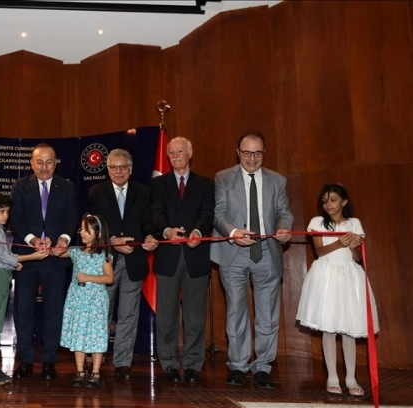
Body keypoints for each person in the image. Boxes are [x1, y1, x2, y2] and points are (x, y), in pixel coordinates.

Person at [210, 131, 293, 389]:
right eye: (247, 153)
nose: (252, 158)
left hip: (266, 252)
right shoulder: (223, 177)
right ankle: (237, 365)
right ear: (238, 152)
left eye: (257, 153)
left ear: (264, 153)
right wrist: (233, 233)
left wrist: (284, 228)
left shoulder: (277, 180)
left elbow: (284, 213)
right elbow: (219, 214)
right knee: (236, 310)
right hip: (234, 251)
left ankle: (263, 367)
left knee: (267, 314)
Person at [296, 183, 379, 396]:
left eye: (333, 200)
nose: (328, 204)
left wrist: (352, 244)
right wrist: (340, 243)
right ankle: (332, 376)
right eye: (324, 201)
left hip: (349, 277)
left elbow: (358, 257)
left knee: (348, 329)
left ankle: (351, 378)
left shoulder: (354, 223)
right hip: (326, 276)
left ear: (344, 201)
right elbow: (320, 251)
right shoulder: (317, 222)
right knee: (329, 327)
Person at [87, 148, 157, 380]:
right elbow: (92, 228)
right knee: (101, 313)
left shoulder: (143, 192)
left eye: (123, 167)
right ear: (107, 169)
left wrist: (149, 238)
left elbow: (148, 222)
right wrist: (112, 242)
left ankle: (123, 362)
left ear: (130, 169)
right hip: (106, 262)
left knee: (129, 314)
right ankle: (96, 358)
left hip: (134, 262)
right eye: (114, 167)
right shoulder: (96, 192)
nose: (118, 172)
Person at [10, 143, 79, 380]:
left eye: (49, 162)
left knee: (53, 312)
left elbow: (72, 219)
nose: (44, 167)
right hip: (28, 259)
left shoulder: (67, 187)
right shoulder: (20, 186)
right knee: (24, 311)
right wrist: (31, 240)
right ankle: (26, 361)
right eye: (39, 162)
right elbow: (16, 219)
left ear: (56, 162)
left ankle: (50, 361)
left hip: (55, 260)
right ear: (31, 163)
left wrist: (63, 239)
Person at [149, 137, 215, 383]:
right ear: (167, 156)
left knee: (195, 316)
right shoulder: (158, 184)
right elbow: (154, 212)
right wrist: (166, 231)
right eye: (172, 153)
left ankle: (192, 365)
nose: (176, 156)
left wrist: (198, 231)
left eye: (180, 152)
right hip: (168, 256)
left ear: (190, 153)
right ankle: (168, 363)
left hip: (196, 256)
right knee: (166, 315)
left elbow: (208, 213)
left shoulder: (205, 184)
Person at [0, 193, 49, 386]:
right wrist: (32, 257)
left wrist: (15, 265)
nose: (6, 215)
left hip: (2, 277)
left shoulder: (0, 230)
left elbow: (4, 256)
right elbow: (4, 258)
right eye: (1, 211)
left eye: (7, 211)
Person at [59, 213, 114, 388]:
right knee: (78, 335)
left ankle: (96, 373)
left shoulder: (104, 255)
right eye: (81, 229)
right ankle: (80, 371)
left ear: (97, 234)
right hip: (77, 300)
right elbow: (59, 253)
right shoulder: (76, 252)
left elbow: (109, 278)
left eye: (86, 230)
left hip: (96, 301)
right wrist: (56, 247)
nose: (82, 233)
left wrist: (88, 277)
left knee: (96, 336)